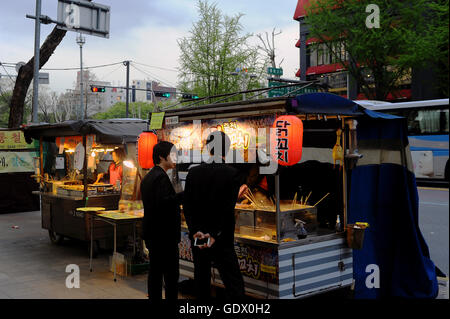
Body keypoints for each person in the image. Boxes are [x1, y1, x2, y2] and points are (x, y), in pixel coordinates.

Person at [183, 131, 247, 300]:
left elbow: (187, 206)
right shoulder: (232, 174)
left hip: (199, 235)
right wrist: (214, 234)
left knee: (201, 279)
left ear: (208, 148)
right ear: (227, 149)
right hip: (221, 238)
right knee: (233, 282)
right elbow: (226, 209)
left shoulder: (193, 172)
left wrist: (196, 231)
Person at [140, 141, 183, 300]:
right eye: (172, 155)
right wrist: (182, 196)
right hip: (164, 236)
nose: (175, 158)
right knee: (171, 275)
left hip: (153, 233)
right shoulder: (160, 178)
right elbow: (165, 205)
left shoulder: (149, 177)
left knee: (155, 272)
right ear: (161, 157)